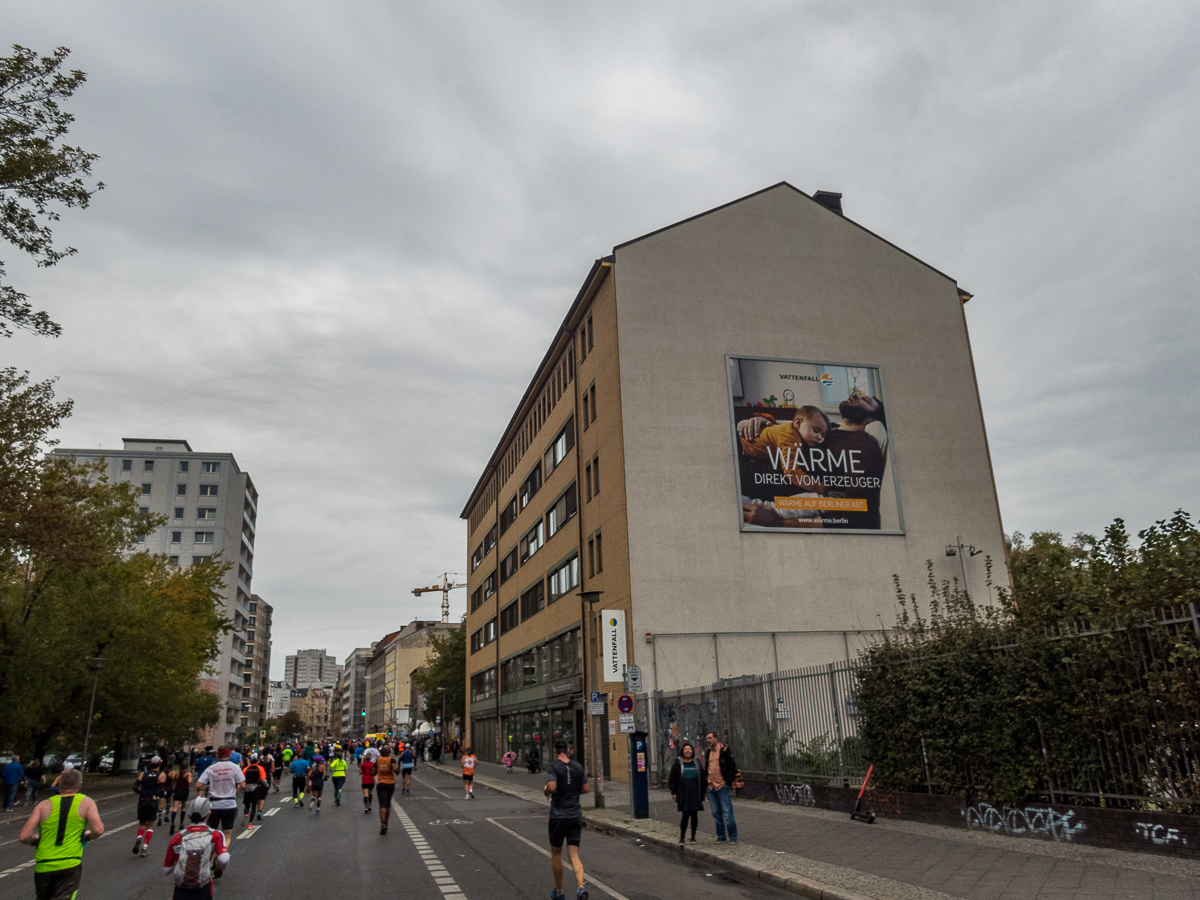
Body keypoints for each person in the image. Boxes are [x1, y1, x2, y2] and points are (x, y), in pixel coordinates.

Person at [19, 767, 104, 900]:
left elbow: (24, 836)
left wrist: (36, 840)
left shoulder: (43, 805)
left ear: (59, 784)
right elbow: (98, 830)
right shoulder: (86, 802)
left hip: (43, 865)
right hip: (69, 864)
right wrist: (86, 836)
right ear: (80, 785)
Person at [544, 739, 589, 900]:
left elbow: (552, 786)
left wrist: (546, 791)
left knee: (556, 854)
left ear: (555, 751)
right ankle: (580, 887)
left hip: (558, 816)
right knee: (574, 854)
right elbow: (586, 788)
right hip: (575, 815)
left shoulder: (553, 767)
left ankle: (559, 891)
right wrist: (574, 793)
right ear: (568, 750)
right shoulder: (578, 767)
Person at [161, 796, 230, 899]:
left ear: (189, 815)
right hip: (203, 888)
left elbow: (166, 870)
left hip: (181, 890)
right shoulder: (216, 835)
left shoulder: (177, 837)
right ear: (208, 815)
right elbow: (224, 860)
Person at [196, 746, 244, 848]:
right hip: (230, 804)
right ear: (229, 754)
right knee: (227, 834)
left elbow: (198, 785)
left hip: (214, 805)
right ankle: (222, 854)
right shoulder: (235, 767)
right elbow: (243, 785)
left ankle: (213, 855)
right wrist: (237, 792)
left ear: (218, 754)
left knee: (212, 834)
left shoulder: (211, 768)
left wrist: (208, 787)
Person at [704, 732, 740, 844]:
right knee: (716, 813)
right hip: (711, 786)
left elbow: (732, 766)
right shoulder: (708, 752)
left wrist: (728, 781)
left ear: (716, 738)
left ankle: (733, 837)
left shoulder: (724, 751)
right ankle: (721, 836)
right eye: (707, 738)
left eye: (710, 738)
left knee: (727, 812)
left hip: (721, 785)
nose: (708, 740)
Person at [667, 742, 705, 844]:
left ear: (692, 751)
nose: (688, 751)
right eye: (685, 750)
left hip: (695, 793)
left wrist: (703, 792)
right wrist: (674, 792)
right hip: (684, 794)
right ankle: (682, 837)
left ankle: (693, 836)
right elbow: (672, 779)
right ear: (682, 752)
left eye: (689, 749)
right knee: (685, 816)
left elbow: (702, 778)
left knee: (694, 815)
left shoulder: (697, 763)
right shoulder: (678, 764)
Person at [133, 757, 166, 857]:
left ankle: (139, 836)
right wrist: (161, 804)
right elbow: (161, 791)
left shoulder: (143, 774)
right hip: (152, 801)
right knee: (150, 825)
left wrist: (141, 793)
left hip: (142, 801)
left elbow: (134, 787)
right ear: (159, 764)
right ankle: (144, 848)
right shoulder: (161, 775)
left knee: (142, 823)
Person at [168, 756, 193, 835]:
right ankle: (181, 824)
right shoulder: (187, 774)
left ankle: (172, 823)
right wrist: (188, 776)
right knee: (183, 807)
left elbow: (172, 780)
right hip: (184, 791)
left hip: (177, 790)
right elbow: (189, 781)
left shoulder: (176, 774)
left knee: (175, 807)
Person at [374, 747, 397, 833]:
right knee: (388, 803)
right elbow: (395, 769)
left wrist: (379, 770)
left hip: (381, 783)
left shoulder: (378, 760)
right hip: (390, 783)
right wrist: (398, 770)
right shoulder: (392, 760)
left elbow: (373, 772)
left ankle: (383, 823)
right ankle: (386, 823)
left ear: (381, 752)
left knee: (382, 804)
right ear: (389, 752)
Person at [240, 756, 267, 829]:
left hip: (247, 788)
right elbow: (263, 779)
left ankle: (246, 814)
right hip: (255, 788)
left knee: (247, 805)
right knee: (254, 806)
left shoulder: (246, 769)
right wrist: (266, 786)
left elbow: (242, 779)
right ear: (257, 760)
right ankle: (250, 823)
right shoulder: (260, 768)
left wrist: (241, 789)